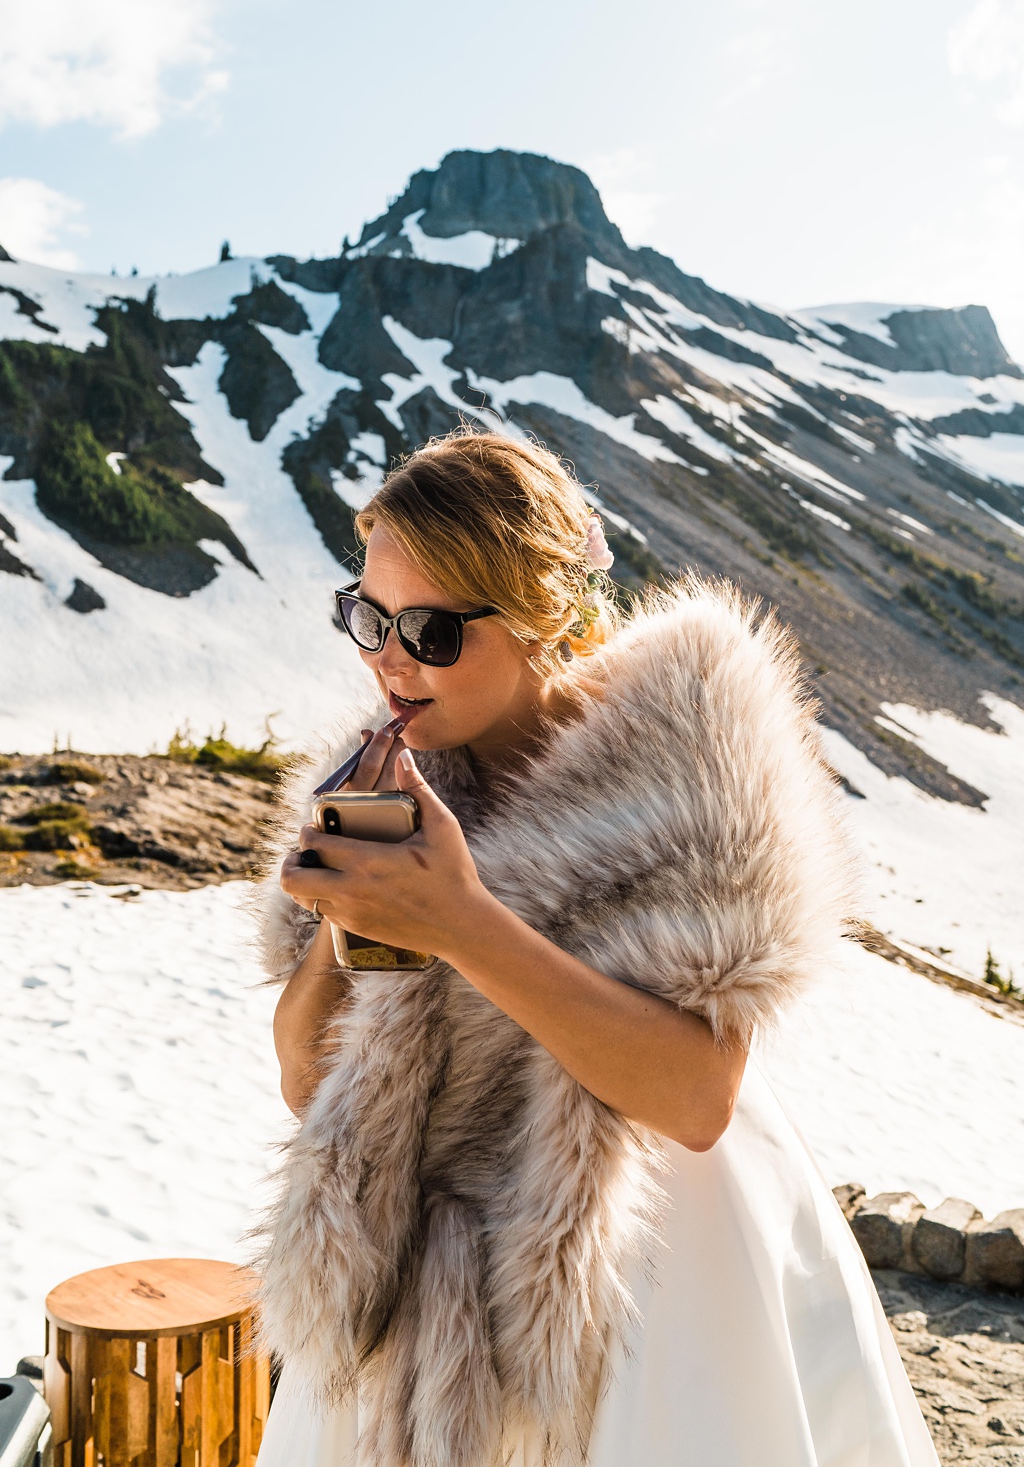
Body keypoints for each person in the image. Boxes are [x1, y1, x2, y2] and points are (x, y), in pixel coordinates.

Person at [251, 430, 939, 1467]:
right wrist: (349, 922)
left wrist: (462, 920)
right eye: (368, 615)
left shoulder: (692, 767)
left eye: (431, 630)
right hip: (421, 1294)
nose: (387, 657)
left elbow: (696, 1097)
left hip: (653, 1260)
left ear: (547, 615)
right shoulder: (381, 780)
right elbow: (311, 1083)